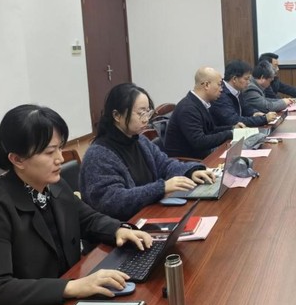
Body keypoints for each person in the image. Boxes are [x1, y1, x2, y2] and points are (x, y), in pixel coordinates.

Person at [0, 104, 153, 305]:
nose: (60, 158)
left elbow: (88, 219)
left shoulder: (53, 185)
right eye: (49, 152)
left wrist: (119, 229)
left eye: (60, 148)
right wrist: (72, 287)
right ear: (17, 159)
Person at [80, 83, 216, 220]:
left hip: (148, 213)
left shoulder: (139, 140)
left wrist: (190, 172)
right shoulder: (98, 155)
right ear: (117, 115)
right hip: (124, 226)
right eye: (141, 113)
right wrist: (161, 188)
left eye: (148, 112)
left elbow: (164, 164)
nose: (146, 119)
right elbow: (112, 202)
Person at [164, 67, 244, 159]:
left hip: (202, 155)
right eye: (219, 85)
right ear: (206, 85)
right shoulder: (188, 108)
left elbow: (211, 130)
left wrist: (232, 128)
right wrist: (230, 133)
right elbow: (199, 142)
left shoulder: (199, 103)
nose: (221, 89)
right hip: (188, 161)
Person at [210, 60, 278, 127]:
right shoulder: (220, 94)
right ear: (234, 79)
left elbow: (245, 107)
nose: (248, 82)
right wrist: (264, 119)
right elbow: (234, 120)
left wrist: (254, 113)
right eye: (246, 79)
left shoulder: (237, 90)